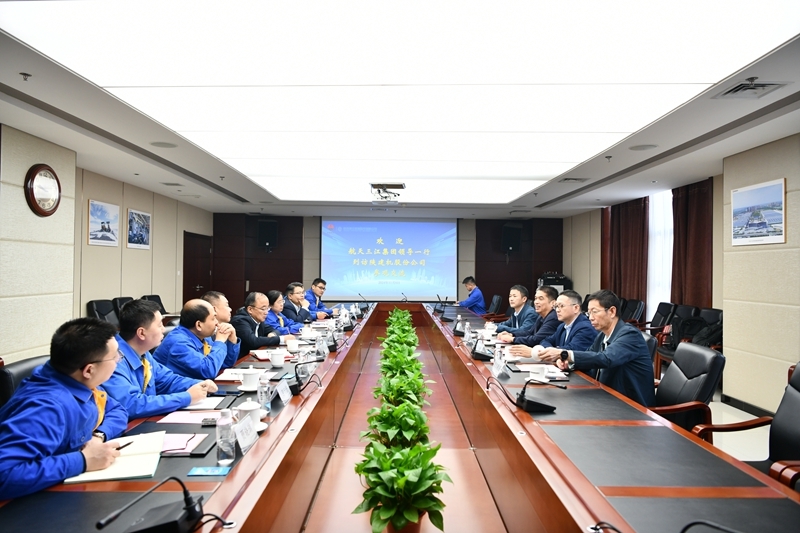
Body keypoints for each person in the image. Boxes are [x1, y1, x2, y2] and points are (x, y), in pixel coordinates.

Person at [0, 318, 128, 500]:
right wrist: (84, 460)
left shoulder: (77, 379)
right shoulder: (46, 408)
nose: (118, 361)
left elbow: (117, 410)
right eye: (115, 357)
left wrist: (98, 437)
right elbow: (4, 474)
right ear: (89, 370)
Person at [104, 299, 218, 419]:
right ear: (141, 333)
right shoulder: (112, 359)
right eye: (159, 325)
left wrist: (200, 384)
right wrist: (187, 397)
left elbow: (167, 380)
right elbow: (132, 404)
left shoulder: (143, 353)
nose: (164, 329)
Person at [541, 290, 655, 407]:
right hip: (607, 397)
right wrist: (568, 363)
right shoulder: (602, 335)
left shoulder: (630, 335)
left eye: (594, 312)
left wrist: (565, 354)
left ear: (612, 311)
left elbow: (606, 358)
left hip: (631, 406)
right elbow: (590, 356)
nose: (590, 318)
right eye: (589, 313)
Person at [153, 298, 240, 379]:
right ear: (199, 325)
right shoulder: (179, 343)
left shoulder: (203, 337)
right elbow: (207, 371)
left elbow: (224, 364)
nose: (217, 323)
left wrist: (232, 341)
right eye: (213, 318)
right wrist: (220, 342)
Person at [509, 290, 596, 358]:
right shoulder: (562, 326)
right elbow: (545, 341)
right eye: (556, 306)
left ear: (576, 308)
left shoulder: (585, 327)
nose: (557, 310)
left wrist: (535, 352)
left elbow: (570, 351)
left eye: (561, 306)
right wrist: (550, 350)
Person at [231, 292, 296, 353]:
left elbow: (275, 330)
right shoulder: (240, 321)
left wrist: (273, 334)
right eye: (263, 309)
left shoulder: (258, 320)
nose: (266, 312)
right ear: (250, 309)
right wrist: (281, 339)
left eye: (267, 308)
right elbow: (253, 341)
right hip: (242, 359)